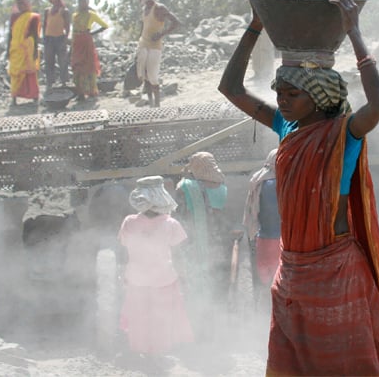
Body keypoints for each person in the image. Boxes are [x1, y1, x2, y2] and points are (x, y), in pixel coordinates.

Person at [218, 0, 379, 376]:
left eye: (293, 94)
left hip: (336, 271)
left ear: (319, 97)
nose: (282, 101)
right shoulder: (285, 127)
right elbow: (231, 88)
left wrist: (355, 34)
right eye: (279, 93)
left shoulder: (345, 132)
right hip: (292, 271)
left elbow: (378, 106)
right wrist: (255, 26)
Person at [118, 176, 194, 364]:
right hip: (164, 279)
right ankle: (157, 353)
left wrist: (125, 273)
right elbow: (178, 255)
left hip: (136, 279)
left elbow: (124, 250)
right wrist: (183, 275)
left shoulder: (129, 221)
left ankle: (140, 350)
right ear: (161, 196)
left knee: (139, 315)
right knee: (161, 317)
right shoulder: (171, 223)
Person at [174, 151, 233, 339]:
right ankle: (218, 331)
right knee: (217, 284)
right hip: (219, 244)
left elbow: (179, 216)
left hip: (194, 244)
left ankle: (197, 329)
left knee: (196, 283)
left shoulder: (184, 187)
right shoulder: (223, 187)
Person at [242, 148, 280, 310]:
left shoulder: (259, 180)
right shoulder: (282, 182)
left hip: (262, 238)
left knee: (263, 282)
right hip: (282, 241)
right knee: (280, 282)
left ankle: (262, 312)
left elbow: (253, 213)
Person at [135, 0, 181, 107]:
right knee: (144, 75)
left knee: (153, 77)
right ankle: (151, 104)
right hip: (143, 44)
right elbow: (144, 26)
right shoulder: (144, 9)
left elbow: (176, 22)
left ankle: (157, 105)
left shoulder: (159, 8)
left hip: (155, 46)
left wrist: (161, 34)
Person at [70, 0, 109, 101]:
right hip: (77, 42)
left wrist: (91, 33)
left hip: (86, 42)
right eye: (80, 2)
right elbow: (73, 31)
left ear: (87, 3)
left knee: (88, 66)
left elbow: (105, 25)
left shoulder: (91, 14)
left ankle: (91, 91)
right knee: (77, 66)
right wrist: (72, 45)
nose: (81, 4)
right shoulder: (75, 15)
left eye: (83, 2)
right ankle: (80, 93)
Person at [7, 0, 41, 106]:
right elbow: (10, 33)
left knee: (30, 72)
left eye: (22, 3)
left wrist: (35, 51)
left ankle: (34, 96)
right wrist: (8, 49)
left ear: (27, 4)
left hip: (28, 49)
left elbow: (35, 35)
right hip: (15, 48)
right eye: (18, 4)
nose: (20, 6)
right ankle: (14, 97)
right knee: (15, 73)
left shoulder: (33, 17)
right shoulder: (14, 17)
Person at [249, 0, 277, 83]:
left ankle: (267, 74)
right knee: (255, 46)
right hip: (256, 17)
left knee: (266, 46)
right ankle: (257, 72)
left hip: (267, 18)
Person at [42, 0, 71, 90]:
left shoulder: (64, 11)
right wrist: (44, 38)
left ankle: (64, 82)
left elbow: (67, 27)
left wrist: (65, 39)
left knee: (62, 61)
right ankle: (50, 82)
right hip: (49, 39)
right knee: (49, 61)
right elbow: (44, 25)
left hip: (60, 38)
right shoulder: (47, 11)